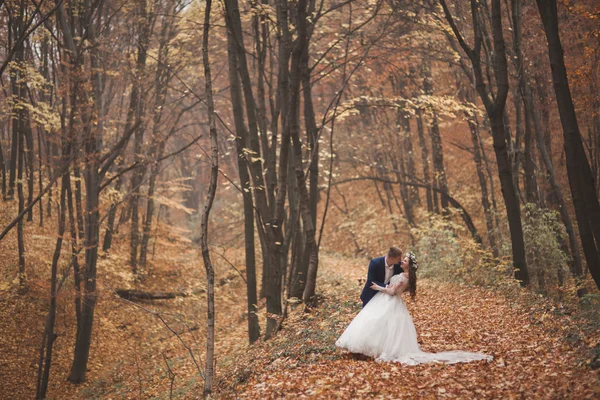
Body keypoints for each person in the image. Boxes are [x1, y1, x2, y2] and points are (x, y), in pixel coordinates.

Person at [336, 252, 493, 365]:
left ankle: (373, 350)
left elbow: (392, 291)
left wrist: (378, 286)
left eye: (404, 260)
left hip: (389, 300)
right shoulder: (404, 274)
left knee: (381, 324)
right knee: (378, 324)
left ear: (409, 265)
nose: (401, 261)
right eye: (402, 259)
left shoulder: (404, 277)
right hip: (386, 302)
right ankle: (366, 350)